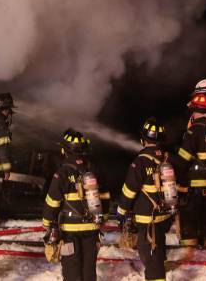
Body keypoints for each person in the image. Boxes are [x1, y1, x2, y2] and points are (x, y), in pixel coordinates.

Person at [42, 129, 110, 281]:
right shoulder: (94, 169)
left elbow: (52, 201)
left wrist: (47, 223)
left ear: (64, 150)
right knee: (89, 270)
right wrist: (103, 218)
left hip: (69, 231)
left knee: (72, 269)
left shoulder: (62, 172)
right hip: (92, 228)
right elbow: (105, 196)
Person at [117, 117, 177, 281]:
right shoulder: (168, 158)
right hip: (164, 215)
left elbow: (129, 190)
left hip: (147, 218)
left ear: (143, 139)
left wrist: (121, 210)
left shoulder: (140, 161)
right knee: (158, 250)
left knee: (150, 257)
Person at [176, 78, 206, 248]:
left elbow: (183, 161)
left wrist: (175, 178)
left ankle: (189, 260)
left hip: (195, 191)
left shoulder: (194, 130)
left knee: (189, 231)